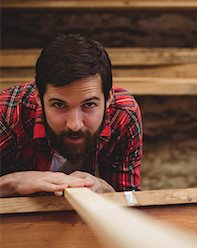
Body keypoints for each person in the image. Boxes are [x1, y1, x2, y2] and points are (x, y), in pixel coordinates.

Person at [0, 34, 143, 197]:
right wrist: (12, 183)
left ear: (109, 98)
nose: (75, 124)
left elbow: (129, 200)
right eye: (59, 105)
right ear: (38, 98)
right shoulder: (6, 114)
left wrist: (105, 188)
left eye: (89, 105)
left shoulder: (123, 114)